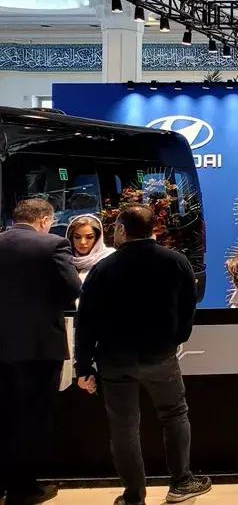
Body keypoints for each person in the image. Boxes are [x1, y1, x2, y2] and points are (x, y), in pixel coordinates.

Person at [74, 204, 211, 505]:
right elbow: (188, 307)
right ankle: (181, 482)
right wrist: (176, 339)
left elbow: (86, 321)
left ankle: (133, 496)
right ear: (153, 229)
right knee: (174, 415)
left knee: (123, 427)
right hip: (161, 356)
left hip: (114, 360)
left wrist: (83, 365)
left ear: (122, 229)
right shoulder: (176, 261)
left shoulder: (103, 268)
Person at [0, 198, 81, 505]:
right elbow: (72, 288)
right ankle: (23, 489)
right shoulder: (53, 245)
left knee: (4, 414)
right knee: (33, 416)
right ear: (45, 220)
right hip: (39, 347)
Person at [66, 213, 114, 282]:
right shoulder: (64, 259)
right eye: (77, 237)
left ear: (97, 238)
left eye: (89, 237)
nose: (83, 242)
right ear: (71, 238)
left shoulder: (110, 258)